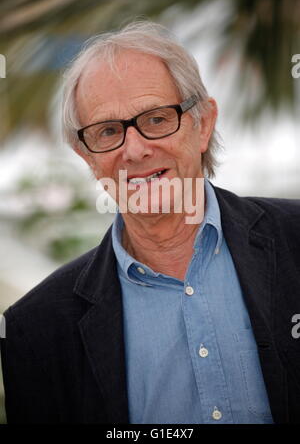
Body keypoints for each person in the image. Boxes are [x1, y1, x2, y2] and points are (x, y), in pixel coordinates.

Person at [1, 21, 300, 425]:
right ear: (86, 155)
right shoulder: (37, 329)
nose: (136, 149)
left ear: (204, 124)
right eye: (108, 131)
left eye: (157, 119)